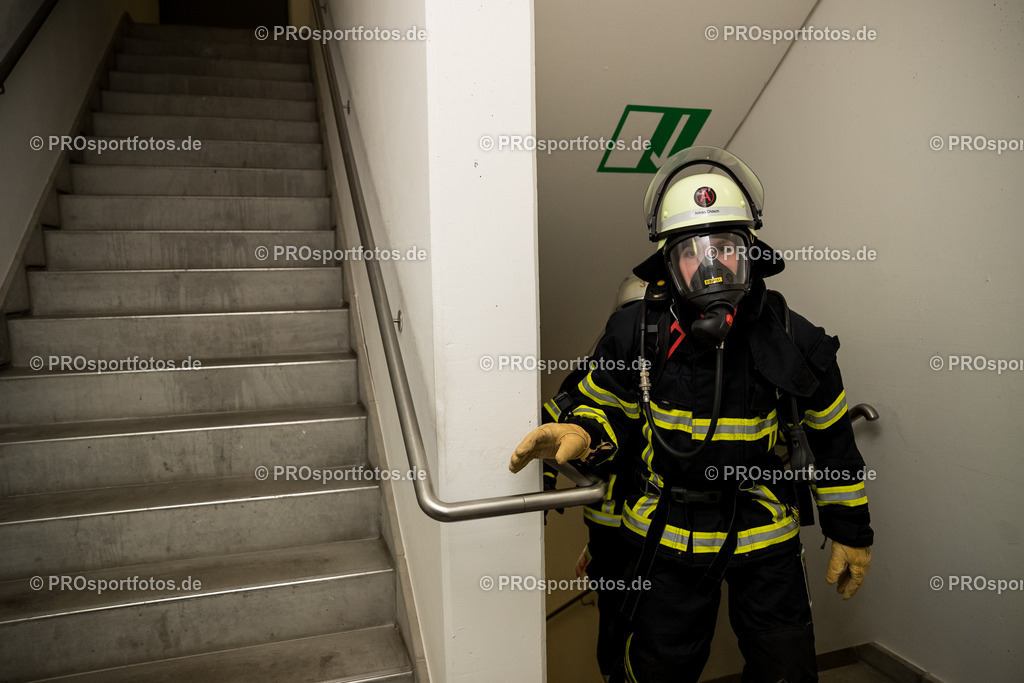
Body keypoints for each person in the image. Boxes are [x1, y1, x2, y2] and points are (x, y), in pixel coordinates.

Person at [509, 147, 873, 682]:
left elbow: (834, 444)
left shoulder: (795, 339)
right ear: (670, 265)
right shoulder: (634, 332)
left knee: (788, 671)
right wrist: (583, 433)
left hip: (764, 537)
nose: (711, 265)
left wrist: (852, 531)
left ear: (750, 253)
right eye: (693, 252)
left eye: (725, 247)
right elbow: (604, 409)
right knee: (658, 672)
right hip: (665, 540)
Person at [543, 275, 647, 681]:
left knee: (654, 629)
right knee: (620, 626)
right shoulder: (599, 370)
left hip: (659, 531)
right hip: (615, 531)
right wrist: (545, 493)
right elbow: (552, 427)